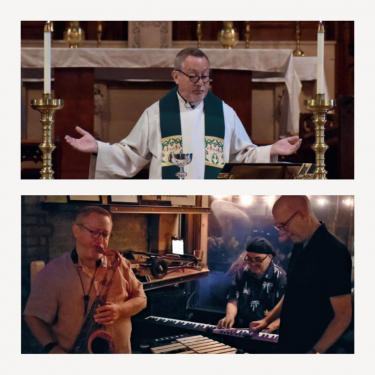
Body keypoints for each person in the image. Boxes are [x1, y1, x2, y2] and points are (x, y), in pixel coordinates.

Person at [65, 48, 302, 179]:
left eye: (206, 76)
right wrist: (98, 146)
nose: (201, 83)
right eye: (193, 75)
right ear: (176, 76)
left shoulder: (224, 114)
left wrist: (271, 149)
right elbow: (130, 154)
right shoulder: (156, 113)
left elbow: (240, 157)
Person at [23, 206, 147, 354]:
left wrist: (120, 310)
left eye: (105, 234)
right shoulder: (53, 272)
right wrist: (52, 348)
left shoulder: (120, 264)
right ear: (76, 231)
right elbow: (32, 316)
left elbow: (142, 299)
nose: (100, 240)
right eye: (94, 232)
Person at [250, 196, 352, 354]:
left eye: (283, 225)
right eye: (279, 226)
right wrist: (267, 320)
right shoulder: (299, 245)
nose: (283, 232)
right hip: (289, 343)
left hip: (311, 346)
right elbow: (292, 292)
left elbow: (343, 315)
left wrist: (315, 352)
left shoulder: (334, 252)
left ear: (303, 216)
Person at [217, 237, 286, 332]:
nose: (252, 263)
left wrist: (272, 326)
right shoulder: (242, 272)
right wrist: (230, 315)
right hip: (241, 328)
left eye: (258, 259)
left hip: (268, 333)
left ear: (269, 257)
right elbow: (233, 299)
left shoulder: (281, 277)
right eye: (249, 259)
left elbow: (287, 311)